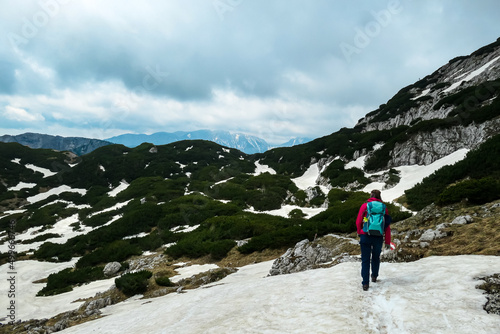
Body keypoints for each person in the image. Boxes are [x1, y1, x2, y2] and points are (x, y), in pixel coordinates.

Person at [355, 189, 391, 291]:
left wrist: (359, 231)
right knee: (376, 257)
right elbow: (387, 226)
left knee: (365, 260)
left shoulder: (365, 206)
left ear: (371, 195)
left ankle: (365, 283)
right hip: (378, 236)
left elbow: (358, 221)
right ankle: (374, 276)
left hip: (365, 235)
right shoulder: (384, 207)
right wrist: (387, 241)